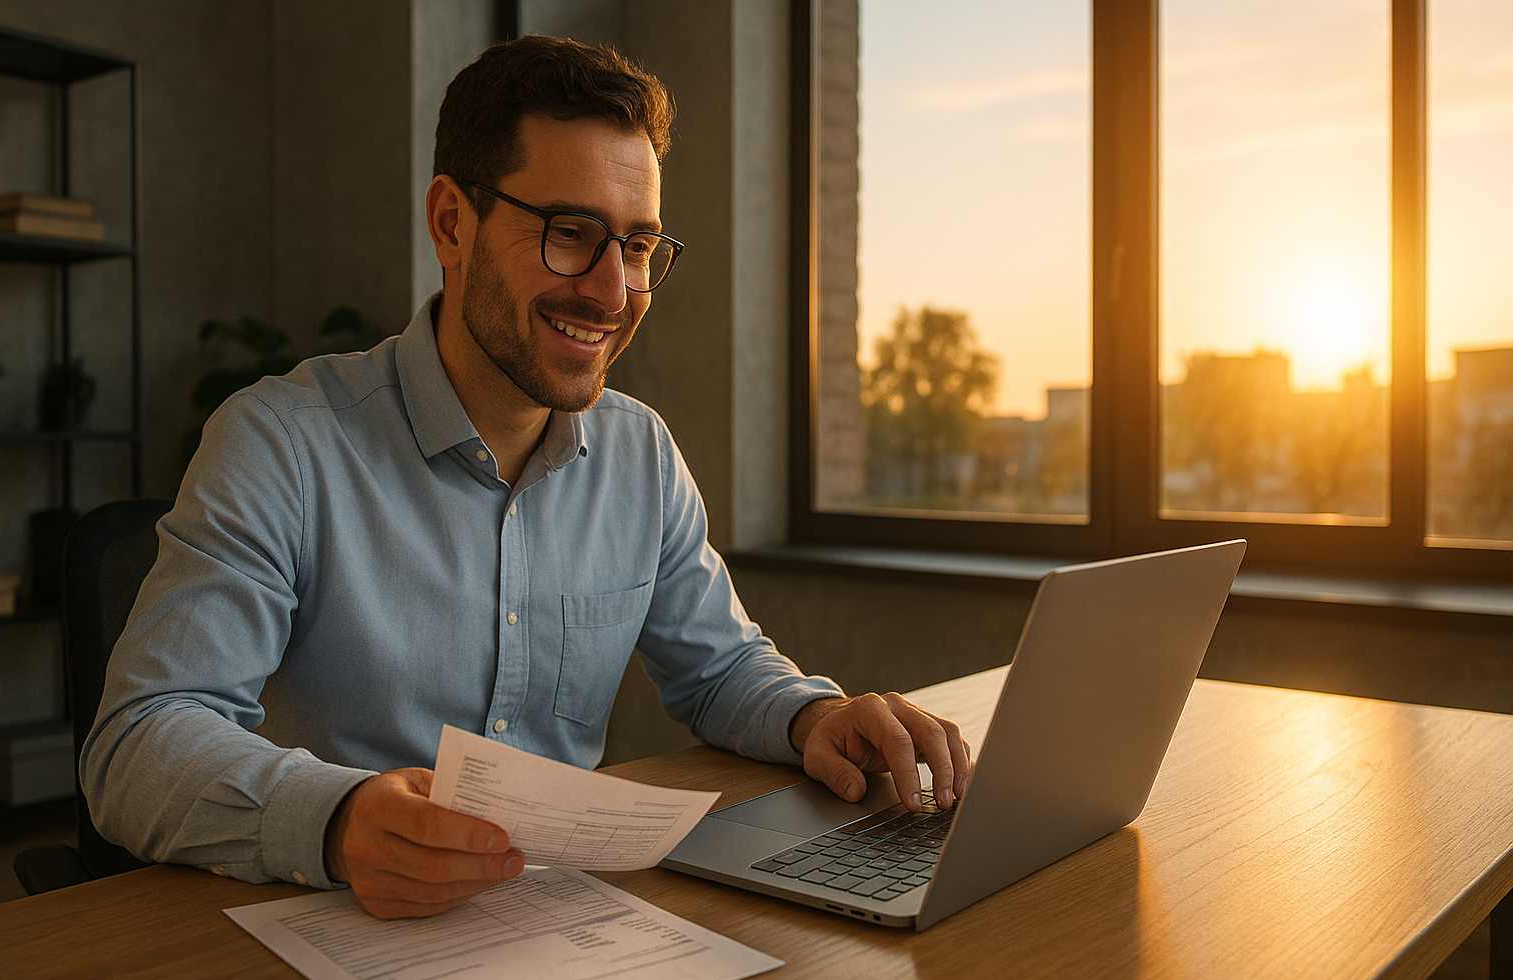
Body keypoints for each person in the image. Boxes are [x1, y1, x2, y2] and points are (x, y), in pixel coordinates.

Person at [83, 35, 970, 920]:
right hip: (337, 924)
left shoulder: (641, 455)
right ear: (451, 223)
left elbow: (721, 670)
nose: (612, 293)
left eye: (637, 246)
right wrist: (338, 820)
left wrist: (814, 718)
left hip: (563, 925)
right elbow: (137, 742)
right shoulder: (281, 442)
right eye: (569, 234)